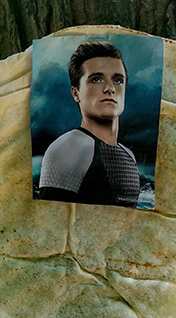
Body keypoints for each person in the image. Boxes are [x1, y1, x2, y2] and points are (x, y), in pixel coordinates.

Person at [38, 40, 141, 207]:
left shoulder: (128, 155)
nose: (110, 88)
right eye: (96, 79)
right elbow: (51, 222)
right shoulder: (68, 148)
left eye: (118, 80)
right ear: (76, 93)